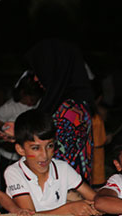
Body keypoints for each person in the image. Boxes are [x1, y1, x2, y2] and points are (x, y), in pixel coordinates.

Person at [27, 39, 95, 181]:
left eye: (40, 71)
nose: (35, 78)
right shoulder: (67, 102)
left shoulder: (70, 111)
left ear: (54, 70)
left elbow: (51, 160)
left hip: (62, 190)